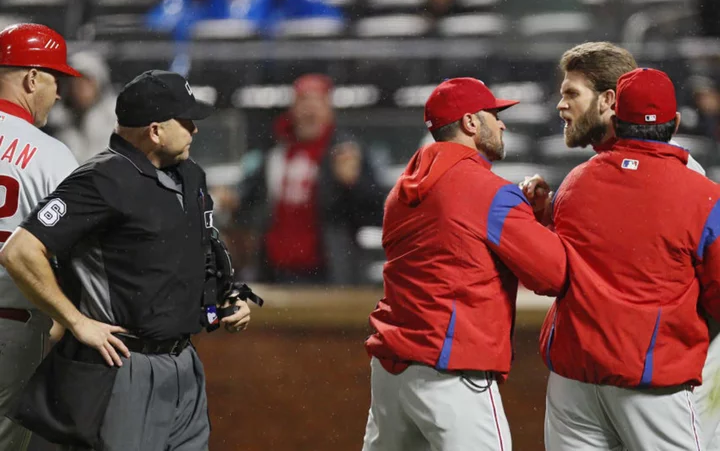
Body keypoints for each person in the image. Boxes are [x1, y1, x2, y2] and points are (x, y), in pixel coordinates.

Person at [0, 69, 252, 451]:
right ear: (154, 130)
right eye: (185, 121)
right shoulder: (101, 179)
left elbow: (196, 257)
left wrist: (223, 302)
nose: (195, 130)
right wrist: (76, 321)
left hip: (184, 364)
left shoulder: (191, 177)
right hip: (122, 367)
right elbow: (20, 251)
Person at [522, 42, 720, 449]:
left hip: (637, 376)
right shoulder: (582, 181)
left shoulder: (581, 183)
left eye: (571, 93)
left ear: (610, 102)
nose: (561, 106)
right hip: (644, 375)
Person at [361, 78, 568, 451]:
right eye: (494, 115)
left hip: (392, 369)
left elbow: (455, 243)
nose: (502, 123)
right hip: (451, 372)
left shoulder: (402, 189)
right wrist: (541, 218)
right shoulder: (489, 192)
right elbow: (552, 275)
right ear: (471, 123)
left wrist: (520, 215)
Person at [0, 22, 81, 451]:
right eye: (55, 79)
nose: (59, 92)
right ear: (32, 78)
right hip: (9, 329)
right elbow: (81, 252)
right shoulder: (51, 155)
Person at [228, 73, 385, 285]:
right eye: (303, 101)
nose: (310, 110)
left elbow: (377, 213)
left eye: (317, 102)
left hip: (328, 273)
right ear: (293, 110)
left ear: (329, 110)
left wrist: (353, 184)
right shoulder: (275, 152)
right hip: (275, 272)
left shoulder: (348, 153)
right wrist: (232, 201)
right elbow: (249, 204)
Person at [46, 50, 118, 163]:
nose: (80, 87)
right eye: (75, 81)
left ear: (99, 83)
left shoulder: (117, 119)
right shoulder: (54, 123)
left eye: (86, 80)